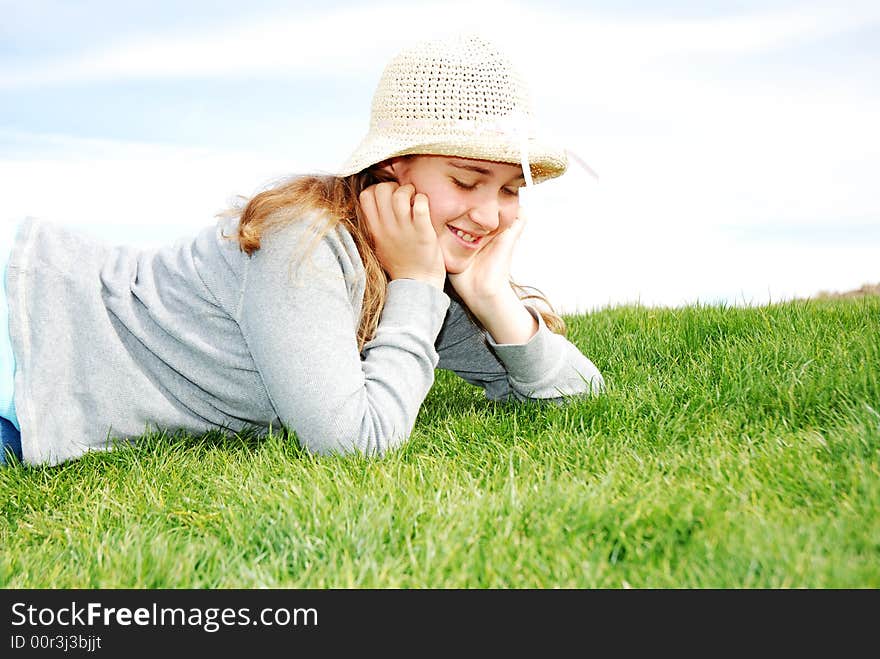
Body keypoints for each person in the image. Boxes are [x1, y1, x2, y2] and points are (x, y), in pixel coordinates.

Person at [0, 34, 604, 467]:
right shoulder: (308, 241)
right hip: (33, 342)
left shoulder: (428, 264)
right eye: (467, 181)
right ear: (395, 165)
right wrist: (417, 288)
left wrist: (491, 295)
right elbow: (352, 443)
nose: (489, 214)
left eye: (509, 191)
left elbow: (578, 398)